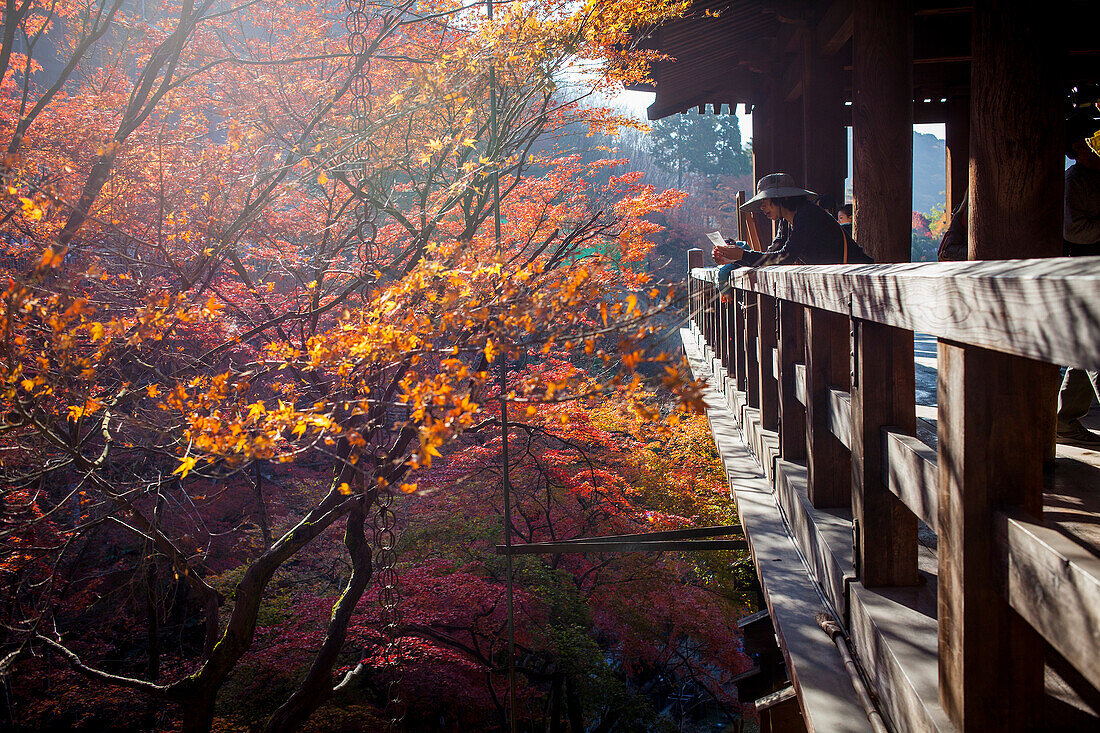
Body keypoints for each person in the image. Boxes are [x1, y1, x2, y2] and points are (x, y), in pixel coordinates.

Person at [712, 173, 873, 268]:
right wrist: (735, 258)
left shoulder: (807, 214)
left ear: (783, 198)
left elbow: (785, 257)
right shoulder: (786, 222)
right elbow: (771, 254)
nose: (762, 207)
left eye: (765, 201)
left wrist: (742, 255)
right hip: (844, 276)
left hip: (860, 273)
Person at [1056, 111, 1100, 447]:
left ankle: (1065, 421)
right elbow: (1074, 231)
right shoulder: (1075, 181)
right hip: (1085, 271)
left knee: (1086, 351)